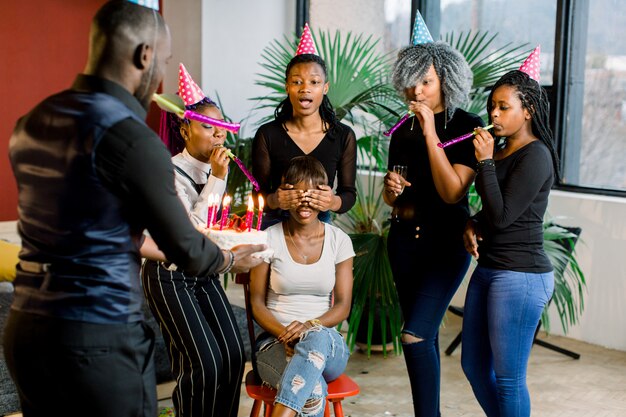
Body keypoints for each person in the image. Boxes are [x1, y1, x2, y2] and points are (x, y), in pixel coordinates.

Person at [4, 2, 264, 417]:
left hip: (26, 328)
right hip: (96, 334)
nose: (159, 72)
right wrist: (234, 258)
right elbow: (188, 248)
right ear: (144, 55)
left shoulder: (32, 121)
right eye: (162, 61)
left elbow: (94, 224)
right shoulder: (131, 138)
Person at [383, 39, 484, 416]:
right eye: (410, 82)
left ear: (446, 79)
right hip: (403, 243)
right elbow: (394, 196)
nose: (416, 91)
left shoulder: (468, 125)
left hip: (446, 246)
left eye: (425, 81)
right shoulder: (399, 130)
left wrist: (429, 132)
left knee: (414, 335)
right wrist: (389, 189)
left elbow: (451, 192)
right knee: (418, 337)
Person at [141, 64, 244, 417]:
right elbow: (189, 234)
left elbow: (214, 229)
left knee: (232, 355)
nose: (218, 137)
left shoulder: (219, 169)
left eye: (222, 129)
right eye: (207, 128)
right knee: (205, 363)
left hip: (203, 271)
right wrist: (217, 179)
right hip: (167, 274)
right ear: (185, 130)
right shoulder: (168, 172)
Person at [461, 69, 559, 417]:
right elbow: (492, 210)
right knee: (473, 366)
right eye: (492, 107)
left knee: (509, 379)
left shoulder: (536, 156)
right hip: (489, 268)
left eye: (504, 107)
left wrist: (484, 162)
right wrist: (472, 222)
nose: (494, 115)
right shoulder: (500, 153)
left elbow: (503, 217)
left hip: (521, 275)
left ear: (528, 110)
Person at [249, 156, 355, 417]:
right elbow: (257, 304)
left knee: (316, 336)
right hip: (274, 343)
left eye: (312, 193)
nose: (304, 202)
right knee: (313, 390)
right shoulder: (267, 238)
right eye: (297, 193)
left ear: (324, 196)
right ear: (285, 194)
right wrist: (288, 334)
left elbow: (342, 306)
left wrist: (307, 329)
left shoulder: (339, 241)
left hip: (327, 347)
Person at [252, 24, 357, 227]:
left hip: (321, 225)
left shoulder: (343, 136)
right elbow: (257, 196)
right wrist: (275, 200)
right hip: (274, 225)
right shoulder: (267, 134)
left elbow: (348, 194)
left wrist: (333, 201)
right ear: (287, 87)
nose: (305, 88)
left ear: (325, 88)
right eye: (297, 82)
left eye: (314, 82)